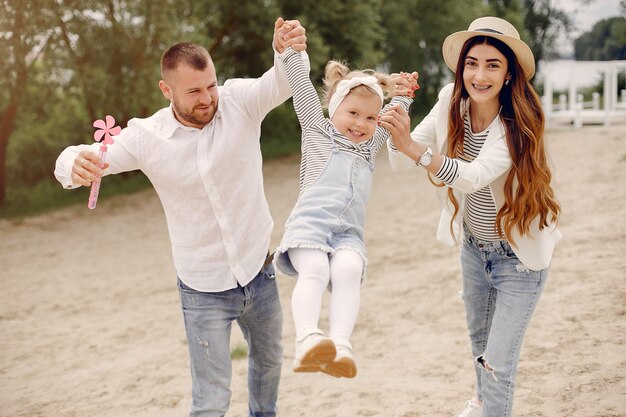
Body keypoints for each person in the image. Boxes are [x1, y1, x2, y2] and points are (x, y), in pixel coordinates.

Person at [54, 18, 308, 417]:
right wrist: (73, 164)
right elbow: (83, 154)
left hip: (260, 272)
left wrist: (287, 50)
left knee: (270, 363)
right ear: (166, 90)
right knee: (211, 399)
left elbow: (281, 81)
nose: (208, 98)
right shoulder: (146, 136)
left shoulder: (238, 101)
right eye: (194, 91)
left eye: (210, 85)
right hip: (202, 288)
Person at [380, 16, 561, 417]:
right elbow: (396, 161)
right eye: (472, 63)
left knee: (497, 364)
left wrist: (413, 148)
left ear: (510, 73)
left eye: (492, 64)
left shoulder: (516, 124)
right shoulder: (450, 101)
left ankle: (487, 402)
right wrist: (399, 106)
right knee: (479, 345)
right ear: (461, 67)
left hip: (519, 259)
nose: (480, 74)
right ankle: (480, 404)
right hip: (475, 250)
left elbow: (474, 177)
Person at [273, 23, 419, 379]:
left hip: (347, 235)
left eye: (369, 118)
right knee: (317, 270)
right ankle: (307, 339)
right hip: (310, 226)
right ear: (335, 108)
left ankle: (340, 345)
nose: (361, 124)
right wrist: (290, 50)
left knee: (349, 270)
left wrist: (404, 95)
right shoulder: (317, 130)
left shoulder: (368, 147)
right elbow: (303, 88)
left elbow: (390, 117)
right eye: (353, 113)